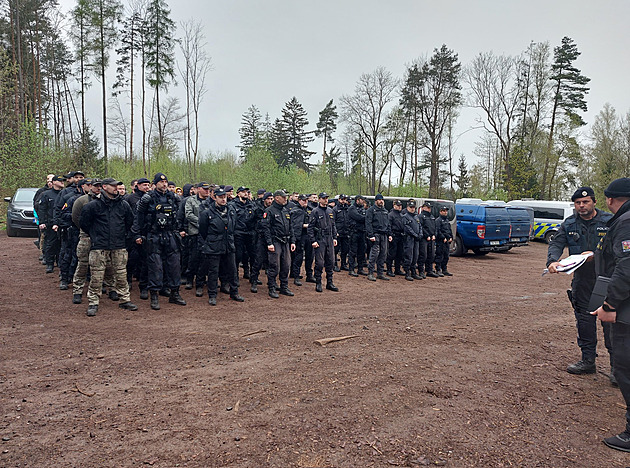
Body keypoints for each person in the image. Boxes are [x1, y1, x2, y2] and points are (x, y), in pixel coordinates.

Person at [547, 187, 614, 378]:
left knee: (610, 323)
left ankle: (617, 368)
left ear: (594, 202)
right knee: (585, 321)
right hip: (582, 280)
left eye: (585, 202)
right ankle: (588, 361)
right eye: (578, 203)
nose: (581, 206)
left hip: (606, 279)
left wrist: (595, 254)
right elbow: (557, 243)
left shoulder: (609, 222)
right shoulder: (569, 224)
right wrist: (552, 260)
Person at [590, 178, 630, 452]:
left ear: (610, 199)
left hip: (625, 310)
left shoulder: (625, 222)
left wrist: (610, 305)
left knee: (626, 368)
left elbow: (626, 267)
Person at [80, 178, 137, 317]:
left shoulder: (123, 205)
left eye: (117, 186)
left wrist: (122, 236)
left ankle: (124, 300)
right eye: (113, 186)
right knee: (96, 277)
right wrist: (96, 236)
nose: (116, 188)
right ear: (104, 187)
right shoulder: (93, 206)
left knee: (121, 275)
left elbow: (130, 221)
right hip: (99, 246)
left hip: (119, 245)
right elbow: (84, 223)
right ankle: (93, 302)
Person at [132, 173, 186, 310]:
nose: (164, 184)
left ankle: (174, 293)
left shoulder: (173, 197)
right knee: (155, 266)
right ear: (155, 184)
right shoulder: (147, 198)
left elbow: (180, 215)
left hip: (170, 234)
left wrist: (180, 230)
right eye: (161, 182)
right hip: (154, 235)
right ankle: (154, 296)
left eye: (166, 182)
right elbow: (138, 218)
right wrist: (137, 234)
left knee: (174, 265)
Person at [198, 187, 244, 305]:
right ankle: (212, 295)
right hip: (214, 245)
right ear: (214, 198)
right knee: (213, 271)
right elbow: (203, 231)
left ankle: (234, 293)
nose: (223, 199)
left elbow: (233, 227)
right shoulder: (206, 213)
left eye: (225, 197)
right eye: (221, 197)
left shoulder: (231, 211)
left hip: (228, 243)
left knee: (233, 270)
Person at [261, 190, 296, 298]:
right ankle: (271, 287)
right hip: (275, 241)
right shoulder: (269, 211)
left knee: (286, 265)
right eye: (283, 197)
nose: (286, 199)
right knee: (274, 266)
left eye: (286, 197)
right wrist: (269, 243)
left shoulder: (285, 210)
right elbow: (265, 228)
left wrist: (293, 241)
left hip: (285, 242)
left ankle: (284, 287)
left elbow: (291, 227)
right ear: (277, 198)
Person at [184, 182, 211, 296]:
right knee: (193, 258)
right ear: (198, 189)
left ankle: (201, 280)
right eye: (204, 189)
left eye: (208, 189)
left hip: (206, 234)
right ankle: (189, 279)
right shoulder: (191, 200)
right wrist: (201, 223)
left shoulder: (210, 201)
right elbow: (189, 214)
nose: (207, 191)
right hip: (195, 232)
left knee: (205, 259)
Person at [308, 192, 339, 292]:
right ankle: (318, 282)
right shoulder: (315, 211)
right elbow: (310, 227)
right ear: (319, 199)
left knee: (330, 261)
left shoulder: (330, 211)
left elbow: (333, 225)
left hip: (329, 238)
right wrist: (313, 240)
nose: (326, 200)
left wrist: (335, 237)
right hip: (320, 239)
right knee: (320, 263)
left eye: (326, 198)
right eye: (324, 198)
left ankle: (330, 282)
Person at [37, 175, 65, 273]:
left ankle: (59, 262)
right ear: (53, 182)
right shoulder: (46, 194)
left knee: (61, 244)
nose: (62, 182)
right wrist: (42, 222)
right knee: (50, 243)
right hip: (50, 223)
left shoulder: (64, 193)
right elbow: (42, 209)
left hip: (62, 223)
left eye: (63, 180)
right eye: (60, 180)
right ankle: (49, 263)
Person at [249, 191, 273, 292]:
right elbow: (250, 221)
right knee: (258, 260)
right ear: (264, 199)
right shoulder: (257, 209)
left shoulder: (273, 210)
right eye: (268, 199)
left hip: (272, 237)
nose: (270, 201)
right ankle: (254, 281)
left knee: (272, 262)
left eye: (272, 199)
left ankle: (272, 283)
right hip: (260, 237)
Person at [231, 186, 256, 281]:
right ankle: (235, 276)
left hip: (250, 233)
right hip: (238, 233)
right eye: (243, 192)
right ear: (238, 193)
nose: (246, 193)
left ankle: (253, 276)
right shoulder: (233, 205)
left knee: (253, 255)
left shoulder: (251, 204)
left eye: (247, 192)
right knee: (238, 256)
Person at [366, 194, 392, 281]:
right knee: (374, 254)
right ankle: (370, 273)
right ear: (376, 201)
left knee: (383, 254)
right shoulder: (371, 210)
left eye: (382, 200)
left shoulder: (385, 211)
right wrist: (371, 235)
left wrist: (390, 234)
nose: (381, 201)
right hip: (376, 234)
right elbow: (368, 223)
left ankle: (380, 273)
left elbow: (388, 223)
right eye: (380, 200)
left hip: (384, 235)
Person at [289, 194, 310, 286]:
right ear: (299, 200)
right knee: (298, 257)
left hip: (308, 236)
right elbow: (294, 225)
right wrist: (306, 225)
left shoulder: (307, 210)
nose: (305, 202)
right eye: (303, 200)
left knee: (310, 256)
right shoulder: (296, 211)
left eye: (306, 200)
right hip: (299, 236)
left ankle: (309, 275)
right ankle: (296, 276)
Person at [401, 199, 423, 281]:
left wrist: (420, 234)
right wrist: (415, 235)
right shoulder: (405, 217)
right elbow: (407, 228)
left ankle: (413, 272)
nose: (412, 209)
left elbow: (420, 226)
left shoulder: (416, 216)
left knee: (415, 256)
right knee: (408, 256)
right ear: (407, 207)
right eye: (411, 207)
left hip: (416, 239)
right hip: (409, 239)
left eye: (413, 207)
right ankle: (407, 273)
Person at [348, 195, 368, 276]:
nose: (363, 201)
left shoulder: (362, 209)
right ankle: (351, 269)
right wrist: (366, 218)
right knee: (353, 252)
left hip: (362, 232)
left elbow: (365, 218)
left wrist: (365, 218)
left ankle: (360, 269)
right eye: (362, 200)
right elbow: (359, 218)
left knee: (362, 251)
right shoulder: (352, 209)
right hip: (354, 233)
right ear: (357, 200)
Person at [419, 202, 438, 278]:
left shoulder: (432, 217)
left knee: (431, 255)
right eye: (427, 207)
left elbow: (435, 227)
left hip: (431, 238)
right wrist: (427, 235)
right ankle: (421, 271)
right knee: (423, 255)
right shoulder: (421, 216)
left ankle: (429, 270)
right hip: (424, 239)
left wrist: (434, 235)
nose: (429, 209)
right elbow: (421, 227)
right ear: (423, 208)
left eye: (430, 207)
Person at [386, 200, 405, 277]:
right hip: (394, 235)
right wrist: (390, 235)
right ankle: (389, 270)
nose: (399, 206)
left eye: (400, 205)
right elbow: (388, 226)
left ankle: (397, 269)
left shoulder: (401, 215)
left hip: (401, 236)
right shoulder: (390, 215)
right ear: (394, 205)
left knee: (399, 254)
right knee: (391, 254)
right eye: (398, 205)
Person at [333, 194, 350, 271]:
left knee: (345, 250)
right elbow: (333, 222)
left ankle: (343, 264)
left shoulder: (347, 209)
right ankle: (334, 264)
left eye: (344, 199)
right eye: (342, 199)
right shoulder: (335, 209)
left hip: (346, 232)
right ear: (339, 199)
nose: (343, 201)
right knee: (336, 250)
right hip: (338, 232)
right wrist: (335, 232)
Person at [435, 206, 454, 277]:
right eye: (443, 211)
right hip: (441, 241)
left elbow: (449, 230)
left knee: (446, 256)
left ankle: (444, 269)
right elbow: (438, 230)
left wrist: (451, 237)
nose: (445, 212)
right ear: (440, 212)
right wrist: (443, 237)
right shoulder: (438, 220)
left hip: (447, 241)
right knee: (440, 255)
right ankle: (438, 269)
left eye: (446, 211)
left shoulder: (447, 220)